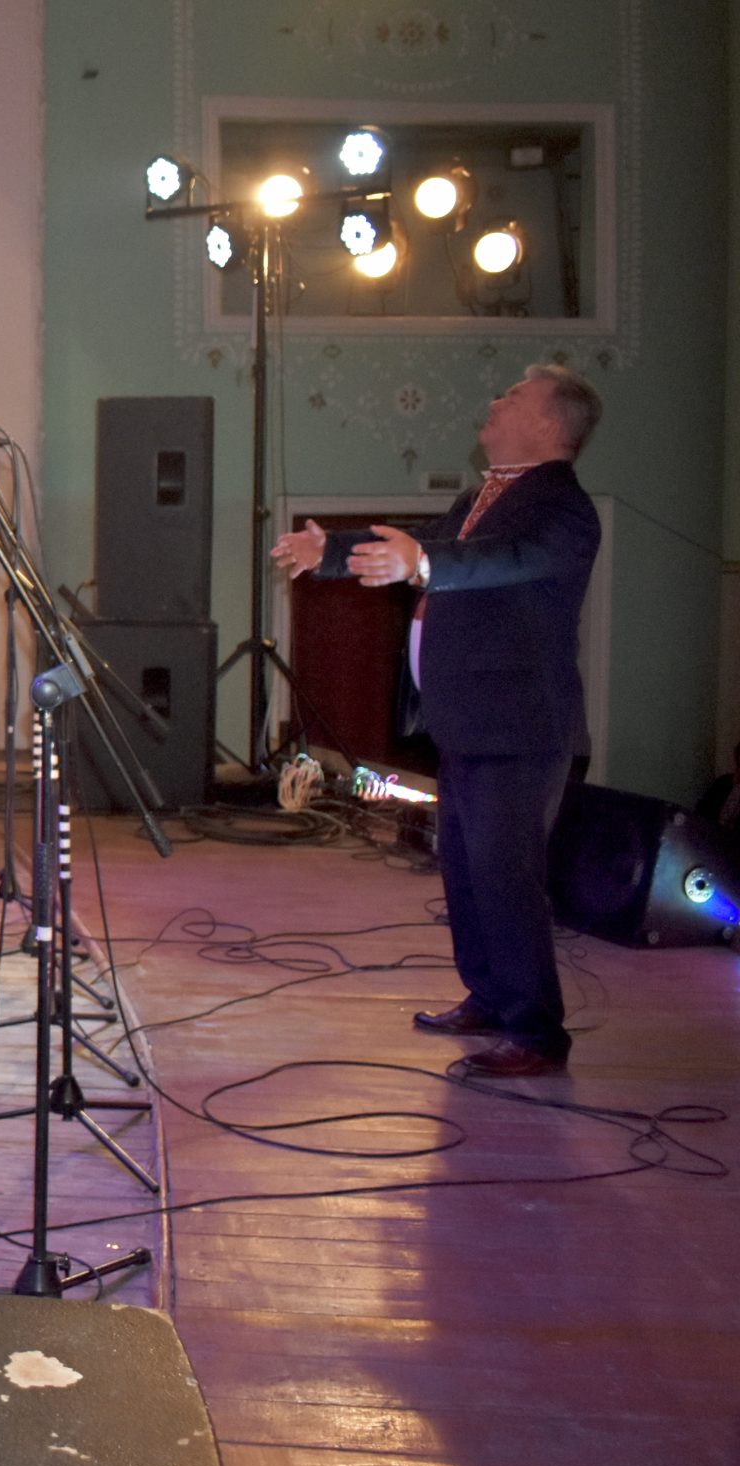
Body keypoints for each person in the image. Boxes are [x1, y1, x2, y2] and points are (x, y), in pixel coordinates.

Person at [273, 364, 604, 1078]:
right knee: (462, 865)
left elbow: (500, 560)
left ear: (548, 424)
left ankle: (537, 1032)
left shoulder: (564, 509)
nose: (495, 400)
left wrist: (424, 560)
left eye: (514, 395)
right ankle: (489, 994)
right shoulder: (479, 496)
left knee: (505, 873)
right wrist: (328, 549)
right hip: (467, 723)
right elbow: (414, 540)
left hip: (519, 726)